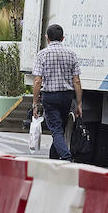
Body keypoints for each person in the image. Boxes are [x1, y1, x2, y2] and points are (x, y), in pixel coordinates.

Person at [32, 23, 83, 161]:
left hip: (50, 97)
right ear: (63, 38)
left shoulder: (42, 54)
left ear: (46, 38)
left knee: (56, 129)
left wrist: (35, 103)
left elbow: (37, 81)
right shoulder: (71, 54)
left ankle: (66, 157)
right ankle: (53, 158)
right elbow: (76, 81)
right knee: (60, 128)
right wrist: (79, 103)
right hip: (67, 96)